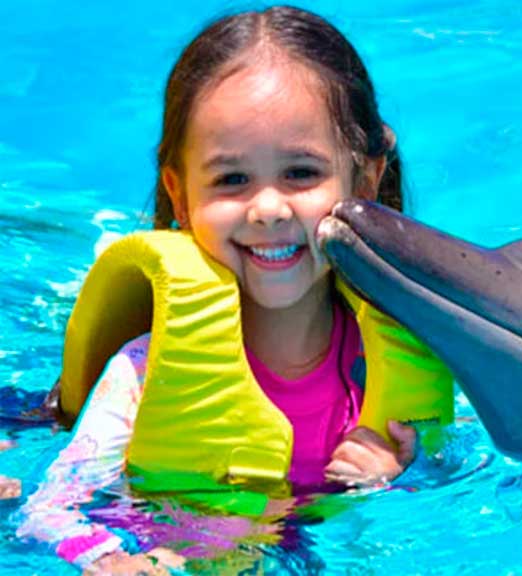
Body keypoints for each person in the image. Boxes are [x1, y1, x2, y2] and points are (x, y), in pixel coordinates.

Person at [17, 6, 439, 573]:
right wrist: (109, 558)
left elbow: (434, 491)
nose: (267, 209)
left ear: (364, 177)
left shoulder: (387, 361)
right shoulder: (143, 375)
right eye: (232, 180)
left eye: (301, 173)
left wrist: (390, 479)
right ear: (180, 191)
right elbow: (49, 509)